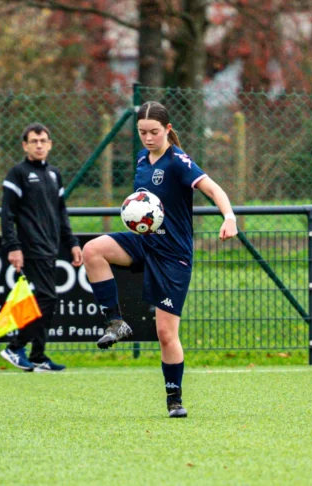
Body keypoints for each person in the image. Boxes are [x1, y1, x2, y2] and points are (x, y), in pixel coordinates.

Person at [81, 101, 237, 418]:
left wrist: (229, 217)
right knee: (92, 250)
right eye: (142, 132)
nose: (148, 138)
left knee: (165, 334)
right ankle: (116, 322)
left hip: (172, 256)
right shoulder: (142, 159)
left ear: (167, 129)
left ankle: (174, 399)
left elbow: (214, 189)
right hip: (145, 242)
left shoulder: (178, 162)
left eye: (154, 132)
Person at [0, 123, 83, 372]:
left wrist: (72, 243)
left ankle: (37, 355)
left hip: (50, 247)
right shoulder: (17, 173)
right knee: (47, 299)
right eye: (34, 141)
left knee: (46, 301)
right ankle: (15, 347)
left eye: (43, 141)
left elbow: (61, 212)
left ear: (50, 145)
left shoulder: (54, 174)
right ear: (25, 146)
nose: (39, 145)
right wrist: (13, 247)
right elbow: (7, 214)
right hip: (30, 247)